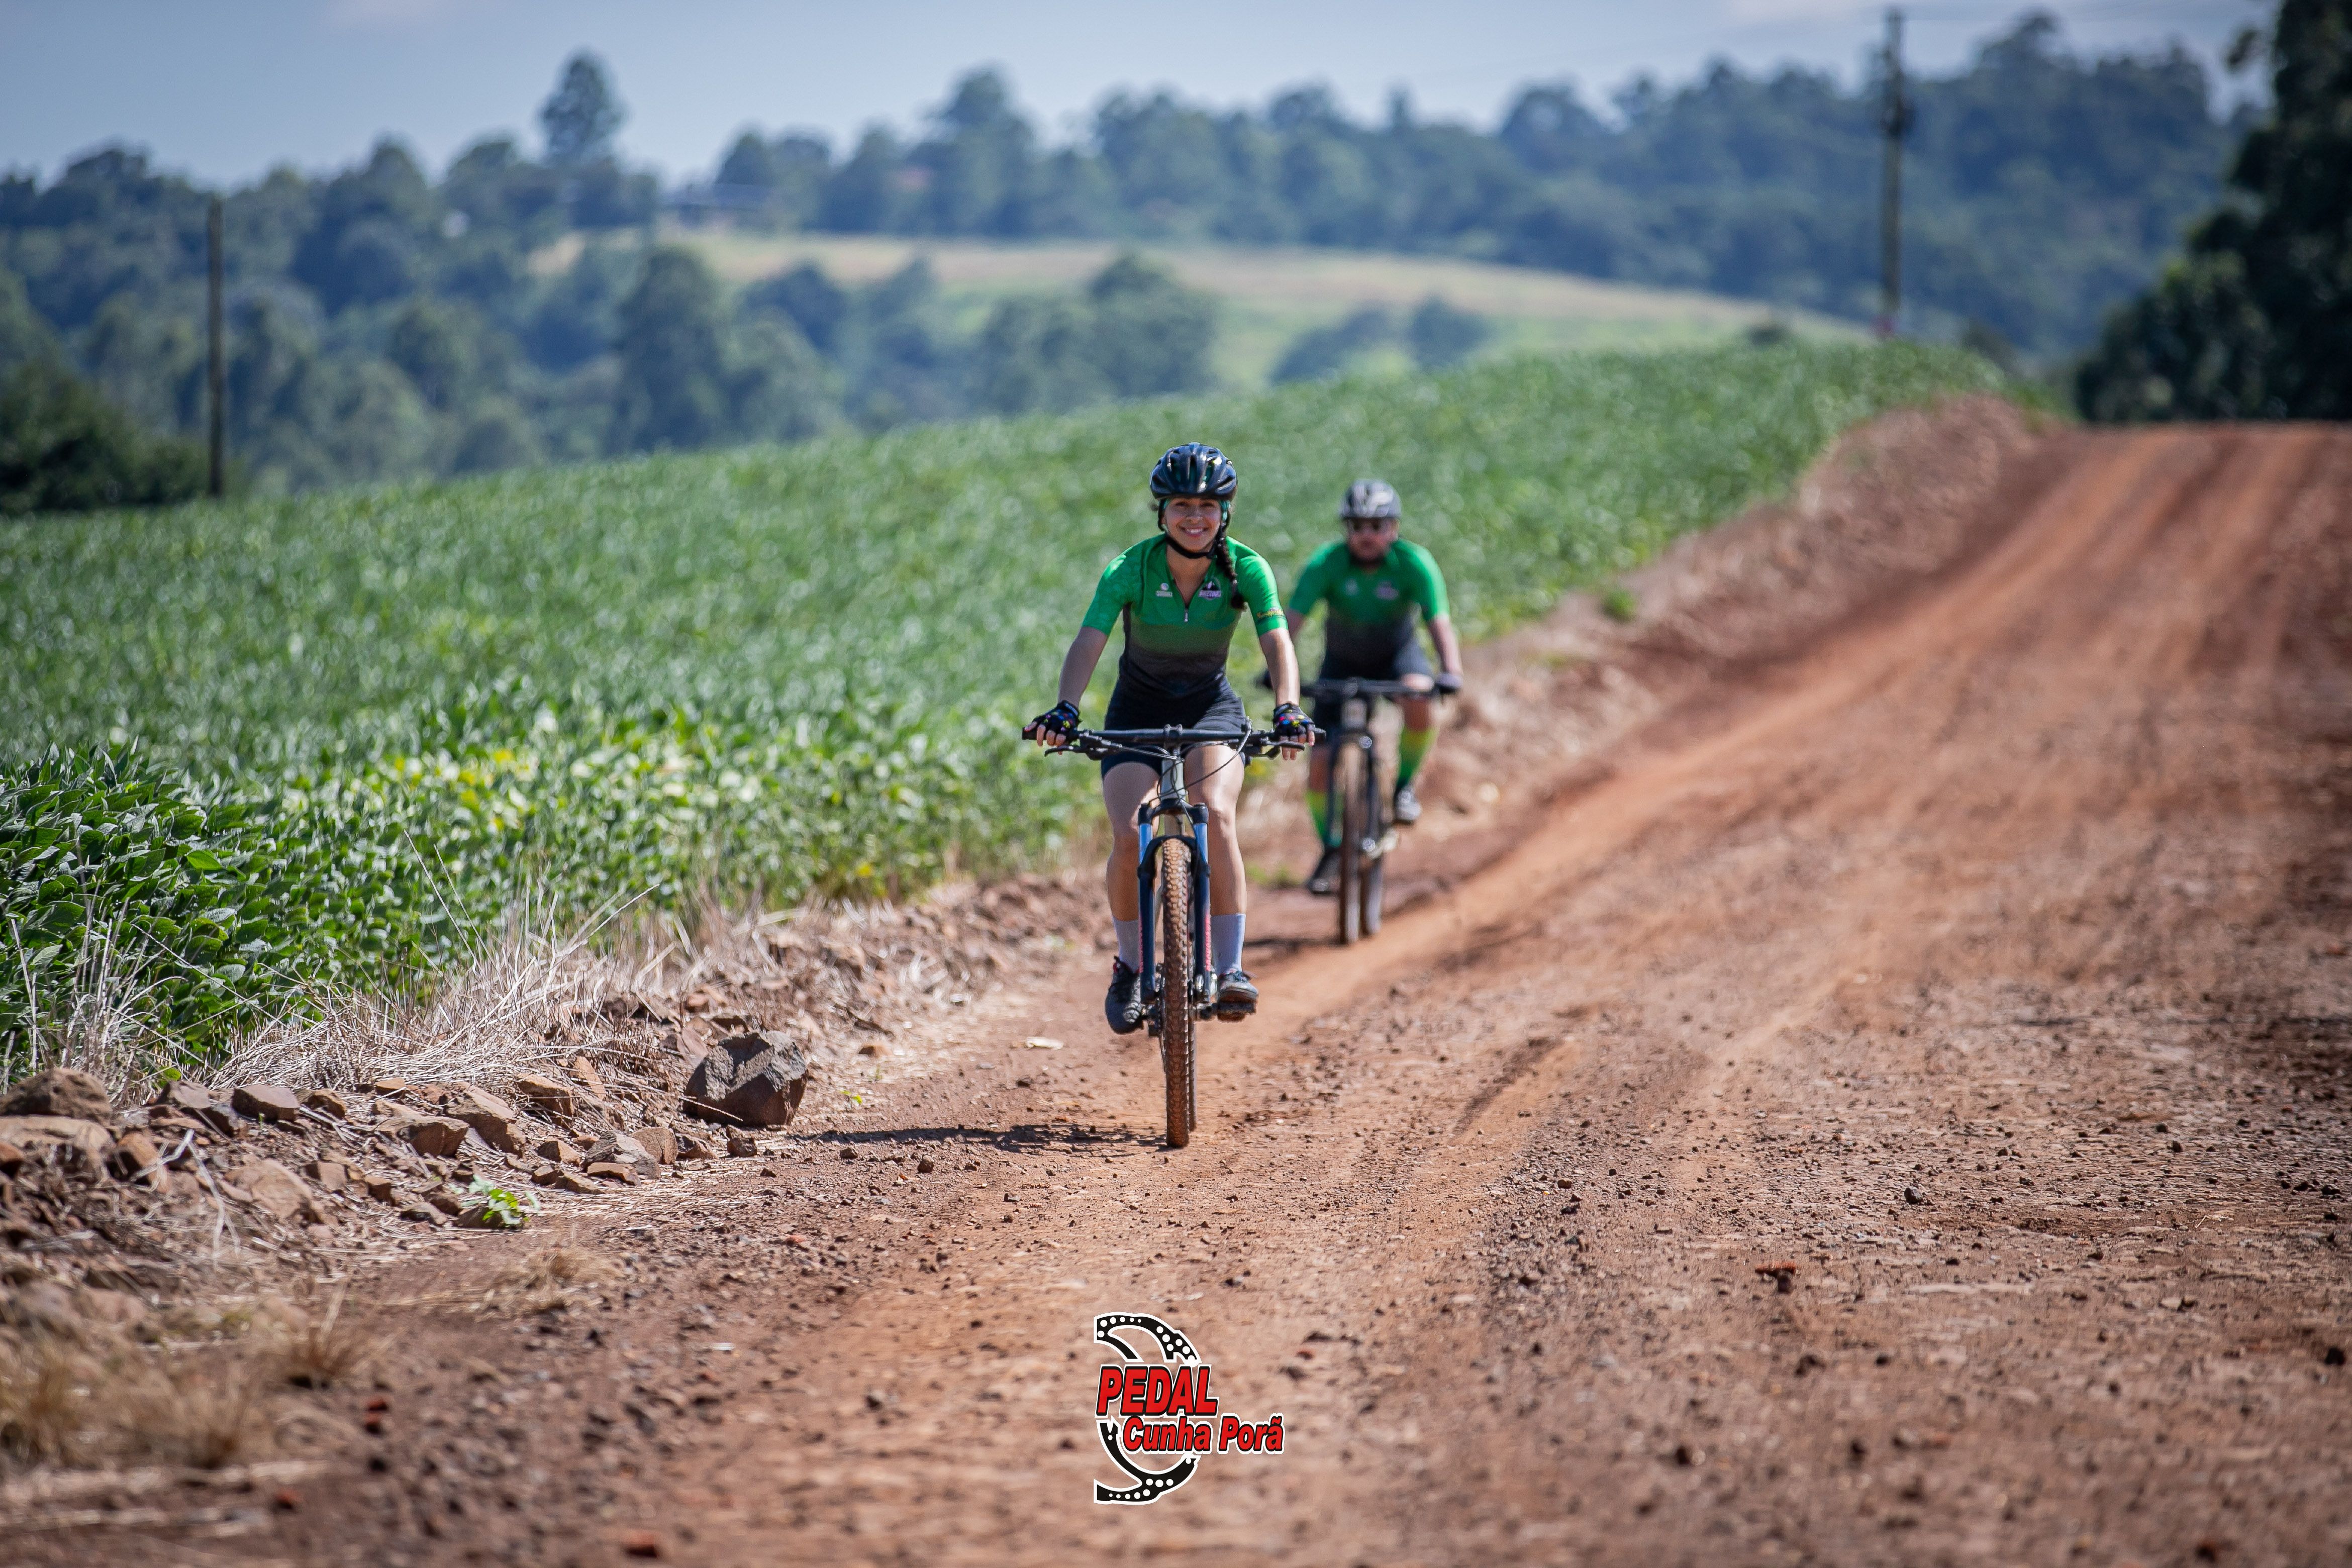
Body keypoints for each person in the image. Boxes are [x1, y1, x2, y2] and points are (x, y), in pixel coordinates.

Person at [1024, 443, 1311, 1034]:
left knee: (1217, 815)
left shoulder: (1246, 568)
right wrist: (1067, 707)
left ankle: (1229, 968)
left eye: (1208, 506)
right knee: (1130, 830)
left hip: (1212, 708)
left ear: (1225, 512)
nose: (1195, 517)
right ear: (1162, 512)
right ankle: (1130, 966)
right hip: (1137, 708)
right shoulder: (1131, 568)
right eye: (1182, 505)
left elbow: (1277, 640)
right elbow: (1089, 639)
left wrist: (1287, 708)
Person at [1285, 479, 1463, 895]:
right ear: (1347, 529)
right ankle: (1331, 847)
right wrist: (1275, 671)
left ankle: (1403, 788)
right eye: (1358, 526)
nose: (1367, 535)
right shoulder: (1327, 563)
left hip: (1396, 655)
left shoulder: (1414, 563)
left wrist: (1451, 670)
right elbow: (1291, 622)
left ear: (1393, 528)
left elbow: (1438, 621)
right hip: (1340, 662)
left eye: (1377, 526)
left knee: (1420, 695)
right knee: (1318, 761)